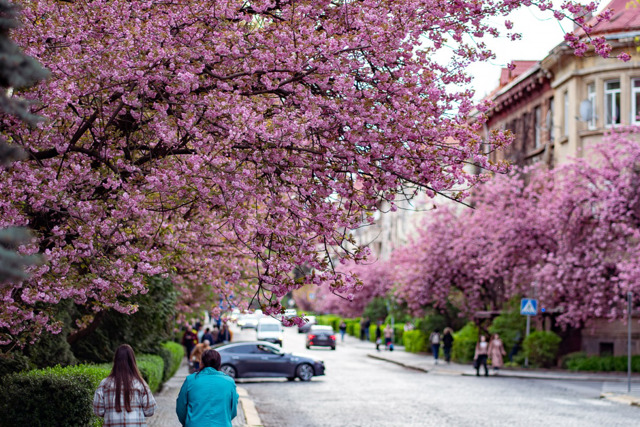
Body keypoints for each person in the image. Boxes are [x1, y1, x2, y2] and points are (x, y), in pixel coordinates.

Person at [93, 344, 157, 426]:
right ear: (132, 361)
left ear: (115, 361)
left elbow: (98, 411)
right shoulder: (140, 383)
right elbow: (150, 410)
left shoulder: (104, 384)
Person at [176, 349, 239, 427]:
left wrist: (188, 422)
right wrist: (224, 419)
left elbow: (181, 407)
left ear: (201, 363)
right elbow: (233, 409)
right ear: (219, 364)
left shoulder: (190, 380)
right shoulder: (229, 382)